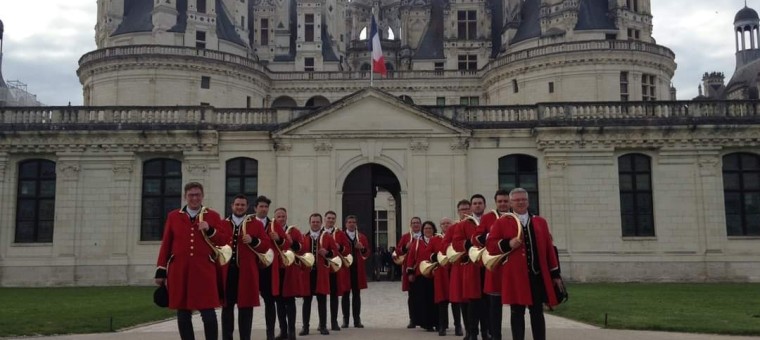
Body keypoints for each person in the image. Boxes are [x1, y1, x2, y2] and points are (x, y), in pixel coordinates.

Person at [155, 182, 230, 340]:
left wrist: (210, 230)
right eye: (191, 195)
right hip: (179, 271)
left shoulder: (212, 215)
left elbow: (223, 240)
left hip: (204, 271)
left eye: (197, 195)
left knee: (208, 313)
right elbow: (166, 243)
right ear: (185, 197)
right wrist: (161, 269)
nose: (194, 198)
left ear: (202, 196)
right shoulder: (174, 216)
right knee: (183, 313)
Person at [486, 188, 564, 340]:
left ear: (528, 201)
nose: (520, 202)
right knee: (517, 313)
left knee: (537, 312)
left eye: (523, 199)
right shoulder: (502, 222)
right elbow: (491, 245)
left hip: (536, 275)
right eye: (516, 200)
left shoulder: (540, 222)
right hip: (516, 277)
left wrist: (555, 274)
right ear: (511, 203)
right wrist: (508, 244)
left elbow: (549, 249)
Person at [221, 195, 272, 340]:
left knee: (246, 308)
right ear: (232, 206)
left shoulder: (255, 224)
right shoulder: (223, 223)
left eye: (242, 205)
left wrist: (253, 240)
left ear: (247, 207)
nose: (239, 207)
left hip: (247, 272)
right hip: (228, 271)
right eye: (237, 204)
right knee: (227, 307)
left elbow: (266, 245)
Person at [472, 190, 511, 340]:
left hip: (513, 266)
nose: (503, 204)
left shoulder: (515, 216)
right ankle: (495, 336)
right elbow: (476, 238)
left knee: (517, 306)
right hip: (496, 267)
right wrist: (491, 235)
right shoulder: (488, 217)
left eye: (505, 201)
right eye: (500, 201)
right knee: (494, 306)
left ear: (509, 202)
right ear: (495, 202)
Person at [254, 196, 289, 340]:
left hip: (268, 269)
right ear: (255, 208)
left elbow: (287, 244)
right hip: (251, 267)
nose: (263, 209)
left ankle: (270, 335)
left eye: (266, 207)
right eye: (261, 206)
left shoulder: (274, 225)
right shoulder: (248, 223)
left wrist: (279, 239)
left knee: (270, 302)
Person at [300, 213, 339, 336]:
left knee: (322, 301)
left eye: (317, 222)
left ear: (321, 223)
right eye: (313, 222)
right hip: (308, 274)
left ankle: (323, 326)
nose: (315, 224)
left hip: (321, 274)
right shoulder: (304, 237)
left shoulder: (327, 237)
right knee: (306, 301)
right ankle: (305, 327)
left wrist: (327, 253)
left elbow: (335, 253)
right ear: (309, 223)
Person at [274, 207, 305, 340]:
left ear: (286, 217)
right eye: (279, 216)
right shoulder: (271, 230)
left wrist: (292, 242)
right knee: (279, 303)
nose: (281, 219)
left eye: (283, 216)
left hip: (289, 270)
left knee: (290, 301)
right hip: (276, 270)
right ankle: (283, 330)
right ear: (275, 218)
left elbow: (301, 247)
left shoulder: (293, 231)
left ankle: (292, 331)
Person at [443, 199, 471, 340]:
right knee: (463, 300)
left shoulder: (477, 225)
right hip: (460, 266)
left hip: (475, 267)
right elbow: (445, 245)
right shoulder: (453, 228)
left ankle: (483, 329)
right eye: (462, 209)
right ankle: (467, 329)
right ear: (458, 211)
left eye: (467, 209)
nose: (465, 212)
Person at [431, 217, 462, 336]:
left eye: (448, 223)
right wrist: (436, 257)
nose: (445, 225)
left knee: (456, 301)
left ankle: (458, 326)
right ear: (440, 226)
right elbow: (429, 254)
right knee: (442, 302)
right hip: (441, 273)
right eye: (443, 223)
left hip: (454, 271)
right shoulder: (435, 239)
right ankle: (442, 326)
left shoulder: (457, 236)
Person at [406, 220, 438, 331]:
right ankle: (426, 323)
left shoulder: (438, 240)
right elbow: (411, 257)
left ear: (433, 229)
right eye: (425, 229)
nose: (428, 230)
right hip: (421, 274)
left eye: (430, 228)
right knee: (423, 300)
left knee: (436, 299)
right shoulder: (418, 242)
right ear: (422, 230)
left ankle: (438, 322)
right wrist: (410, 272)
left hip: (435, 274)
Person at [322, 210, 350, 331]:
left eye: (333, 218)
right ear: (325, 219)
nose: (331, 220)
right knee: (321, 297)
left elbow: (347, 249)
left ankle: (334, 321)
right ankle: (322, 323)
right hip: (322, 268)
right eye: (329, 218)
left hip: (334, 268)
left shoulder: (340, 234)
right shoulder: (320, 233)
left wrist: (341, 247)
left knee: (334, 296)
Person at [340, 215, 370, 328]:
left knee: (357, 295)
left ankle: (357, 319)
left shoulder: (361, 237)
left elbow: (367, 253)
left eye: (353, 222)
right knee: (345, 295)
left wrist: (361, 248)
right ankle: (345, 320)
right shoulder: (341, 236)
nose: (351, 224)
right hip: (345, 269)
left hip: (357, 269)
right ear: (346, 224)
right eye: (349, 222)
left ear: (356, 224)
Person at [394, 217, 422, 328]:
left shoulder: (424, 235)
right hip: (410, 269)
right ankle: (413, 319)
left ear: (421, 224)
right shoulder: (406, 237)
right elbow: (397, 252)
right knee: (412, 296)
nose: (415, 225)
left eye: (417, 223)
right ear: (411, 225)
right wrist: (405, 248)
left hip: (424, 268)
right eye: (413, 223)